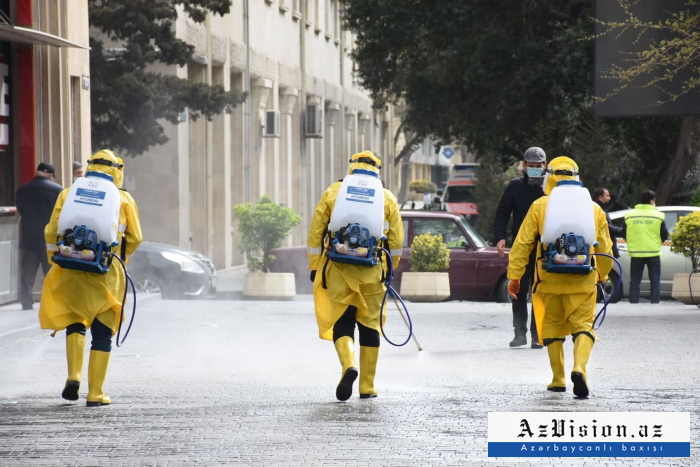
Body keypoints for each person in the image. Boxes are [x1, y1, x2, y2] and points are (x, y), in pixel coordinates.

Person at [39, 150, 142, 406]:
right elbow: (136, 237)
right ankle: (95, 393)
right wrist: (121, 258)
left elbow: (51, 231)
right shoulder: (123, 199)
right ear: (117, 170)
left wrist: (57, 259)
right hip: (107, 273)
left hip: (71, 270)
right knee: (103, 332)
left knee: (75, 322)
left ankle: (74, 375)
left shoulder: (68, 193)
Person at [507, 156, 612, 398]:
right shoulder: (594, 208)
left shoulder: (539, 206)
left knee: (552, 326)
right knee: (583, 326)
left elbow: (522, 244)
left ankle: (558, 379)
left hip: (547, 279)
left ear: (549, 178)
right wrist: (602, 274)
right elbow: (605, 247)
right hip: (584, 280)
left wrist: (515, 276)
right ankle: (579, 369)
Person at [308, 151, 404, 401]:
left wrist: (314, 264)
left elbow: (316, 229)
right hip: (371, 272)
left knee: (343, 320)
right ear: (377, 171)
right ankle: (367, 387)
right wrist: (390, 268)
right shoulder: (386, 197)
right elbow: (396, 241)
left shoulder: (333, 191)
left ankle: (348, 364)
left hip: (337, 270)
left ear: (352, 168)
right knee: (370, 325)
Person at [494, 147, 547, 348]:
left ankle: (536, 335)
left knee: (539, 291)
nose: (534, 169)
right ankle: (519, 334)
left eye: (538, 166)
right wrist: (500, 237)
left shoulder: (550, 188)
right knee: (518, 289)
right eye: (531, 166)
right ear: (524, 165)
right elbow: (502, 213)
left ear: (545, 165)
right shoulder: (514, 186)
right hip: (521, 247)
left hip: (544, 248)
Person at [15, 162, 62, 310]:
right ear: (50, 175)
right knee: (51, 272)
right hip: (49, 238)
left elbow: (20, 209)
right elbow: (59, 214)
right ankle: (53, 301)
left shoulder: (22, 189)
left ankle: (26, 302)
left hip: (28, 236)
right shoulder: (57, 190)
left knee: (27, 272)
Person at [622, 190, 669, 304]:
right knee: (655, 280)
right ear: (652, 200)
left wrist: (632, 243)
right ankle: (655, 302)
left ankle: (633, 302)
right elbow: (664, 234)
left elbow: (624, 233)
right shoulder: (659, 216)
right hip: (653, 252)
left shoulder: (629, 215)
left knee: (635, 280)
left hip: (636, 252)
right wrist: (657, 243)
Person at [592, 187, 623, 259]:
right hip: (603, 247)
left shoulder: (600, 209)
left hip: (604, 247)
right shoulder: (598, 209)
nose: (609, 198)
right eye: (607, 196)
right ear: (600, 197)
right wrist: (620, 231)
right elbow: (604, 226)